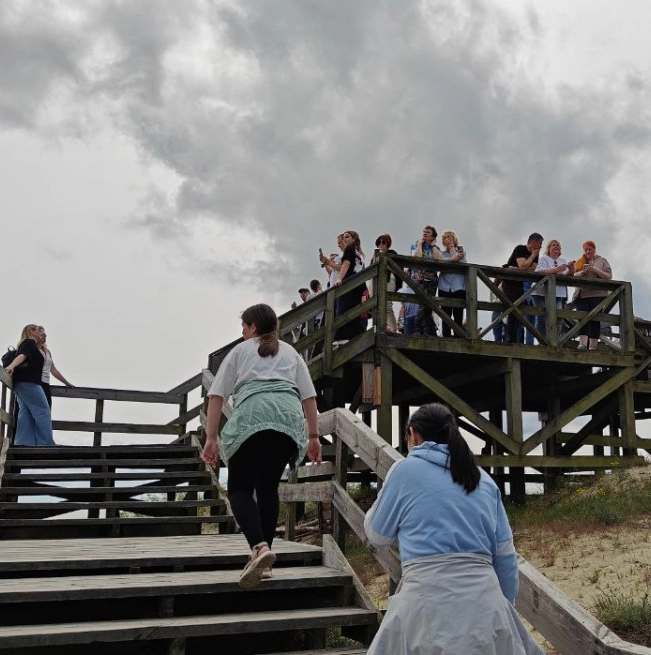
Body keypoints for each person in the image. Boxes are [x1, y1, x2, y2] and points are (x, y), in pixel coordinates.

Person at [364, 404, 542, 654]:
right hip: (485, 601)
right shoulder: (484, 480)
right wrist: (504, 606)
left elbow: (377, 535)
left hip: (427, 602)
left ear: (413, 433)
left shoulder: (404, 470)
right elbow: (504, 554)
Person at [202, 304, 323, 588]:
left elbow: (216, 395)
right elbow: (309, 397)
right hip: (287, 421)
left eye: (243, 327)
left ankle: (259, 547)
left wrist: (211, 438)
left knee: (240, 489)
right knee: (268, 487)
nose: (242, 332)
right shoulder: (290, 352)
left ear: (253, 327)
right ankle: (264, 563)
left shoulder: (240, 351)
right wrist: (313, 436)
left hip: (254, 417)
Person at [4, 325, 56, 446]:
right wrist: (11, 366)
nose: (41, 332)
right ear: (31, 332)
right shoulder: (29, 342)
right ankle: (45, 443)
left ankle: (23, 443)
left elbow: (23, 356)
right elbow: (22, 356)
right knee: (43, 411)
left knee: (25, 413)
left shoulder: (29, 345)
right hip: (30, 383)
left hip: (20, 384)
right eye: (37, 329)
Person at [500, 233, 543, 344]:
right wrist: (532, 257)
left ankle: (518, 340)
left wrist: (519, 269)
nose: (541, 246)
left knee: (520, 311)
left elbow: (532, 269)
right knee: (512, 310)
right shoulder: (520, 249)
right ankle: (511, 340)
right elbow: (523, 265)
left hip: (520, 284)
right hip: (509, 283)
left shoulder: (536, 254)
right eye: (539, 243)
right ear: (532, 242)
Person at [527, 240, 572, 344]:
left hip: (558, 293)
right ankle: (542, 342)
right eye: (553, 245)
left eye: (558, 245)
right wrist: (557, 269)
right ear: (548, 248)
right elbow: (540, 272)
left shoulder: (563, 260)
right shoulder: (544, 258)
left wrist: (571, 269)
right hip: (540, 293)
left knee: (559, 316)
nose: (556, 246)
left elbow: (567, 274)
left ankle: (555, 341)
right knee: (542, 317)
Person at [572, 241, 613, 350]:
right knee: (582, 318)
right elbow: (572, 275)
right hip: (581, 294)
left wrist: (594, 270)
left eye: (589, 249)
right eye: (585, 250)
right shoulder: (580, 261)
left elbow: (609, 276)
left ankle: (593, 346)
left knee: (595, 319)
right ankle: (582, 344)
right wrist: (580, 273)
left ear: (594, 249)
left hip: (597, 294)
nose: (587, 252)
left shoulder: (602, 260)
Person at [332, 230, 367, 340]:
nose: (344, 239)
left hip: (350, 284)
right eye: (344, 237)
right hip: (359, 285)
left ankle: (341, 337)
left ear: (354, 239)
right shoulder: (359, 254)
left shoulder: (349, 248)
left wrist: (339, 278)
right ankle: (356, 336)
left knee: (343, 311)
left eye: (347, 237)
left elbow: (346, 264)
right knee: (356, 312)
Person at [408, 225, 442, 336]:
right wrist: (419, 244)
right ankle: (417, 329)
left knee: (428, 306)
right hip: (419, 279)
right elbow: (417, 257)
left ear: (433, 237)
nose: (425, 233)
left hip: (432, 279)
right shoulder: (415, 245)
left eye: (428, 232)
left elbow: (439, 260)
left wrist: (433, 246)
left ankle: (429, 332)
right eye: (424, 231)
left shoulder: (436, 248)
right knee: (423, 304)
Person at [33, 325, 75, 408]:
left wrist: (66, 382)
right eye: (41, 332)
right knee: (38, 409)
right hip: (36, 382)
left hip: (45, 383)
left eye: (44, 333)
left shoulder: (47, 352)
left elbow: (53, 370)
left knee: (47, 407)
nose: (44, 335)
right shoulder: (32, 349)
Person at [437, 229, 468, 337]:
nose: (447, 239)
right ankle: (446, 336)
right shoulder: (441, 253)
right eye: (445, 238)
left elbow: (462, 261)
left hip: (458, 287)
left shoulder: (461, 251)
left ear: (454, 239)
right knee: (445, 314)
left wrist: (451, 249)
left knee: (458, 314)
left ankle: (458, 336)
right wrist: (453, 259)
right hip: (444, 287)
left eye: (449, 237)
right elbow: (440, 263)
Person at [371, 234, 400, 333]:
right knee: (377, 304)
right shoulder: (375, 255)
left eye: (383, 242)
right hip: (377, 281)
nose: (381, 244)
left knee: (387, 304)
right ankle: (382, 327)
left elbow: (397, 270)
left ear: (388, 244)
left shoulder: (392, 253)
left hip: (389, 279)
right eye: (379, 242)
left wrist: (383, 262)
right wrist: (375, 260)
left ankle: (393, 329)